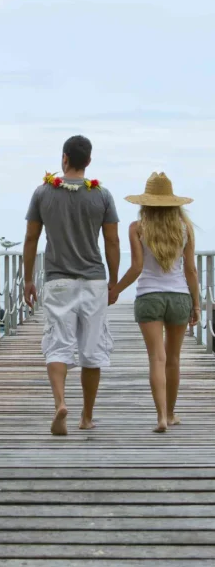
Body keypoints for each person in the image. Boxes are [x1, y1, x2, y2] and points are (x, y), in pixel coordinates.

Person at [23, 135, 120, 436]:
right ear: (88, 161)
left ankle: (60, 403)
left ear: (64, 158)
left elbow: (31, 239)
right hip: (93, 281)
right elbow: (112, 241)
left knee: (58, 345)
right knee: (91, 349)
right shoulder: (102, 195)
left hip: (58, 280)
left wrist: (28, 279)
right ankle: (87, 417)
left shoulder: (43, 193)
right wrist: (114, 282)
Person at [108, 172, 200, 433]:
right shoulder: (185, 229)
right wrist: (196, 304)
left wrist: (115, 290)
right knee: (173, 359)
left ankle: (160, 416)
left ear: (145, 203)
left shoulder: (137, 228)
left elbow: (137, 267)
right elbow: (191, 270)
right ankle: (171, 414)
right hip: (180, 296)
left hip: (149, 296)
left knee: (156, 359)